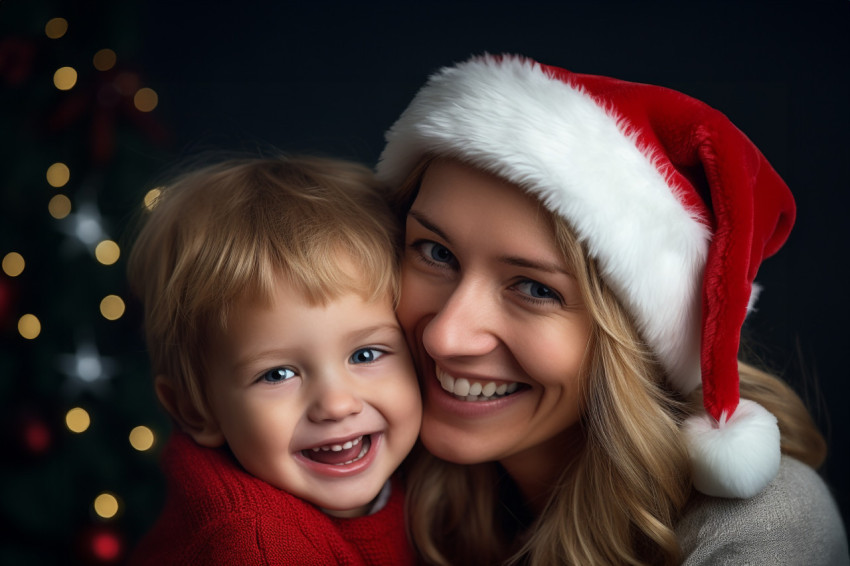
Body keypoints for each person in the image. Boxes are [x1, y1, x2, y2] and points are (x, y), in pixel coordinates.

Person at [376, 54, 849, 565]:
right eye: (436, 253)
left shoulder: (764, 525)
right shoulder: (355, 457)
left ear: (638, 338)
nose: (445, 336)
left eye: (535, 289)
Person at [125, 155, 421, 565]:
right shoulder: (257, 544)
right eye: (277, 374)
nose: (336, 404)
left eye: (365, 354)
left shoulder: (428, 475)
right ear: (195, 409)